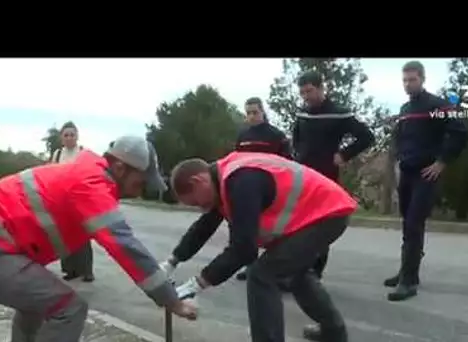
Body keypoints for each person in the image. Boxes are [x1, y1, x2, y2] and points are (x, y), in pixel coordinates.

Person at [0, 136, 197, 342]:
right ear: (120, 167)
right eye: (140, 183)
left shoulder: (87, 176)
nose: (140, 192)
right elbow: (125, 247)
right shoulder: (91, 185)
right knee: (68, 308)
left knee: (38, 307)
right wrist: (170, 299)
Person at [159, 151, 356, 342]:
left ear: (197, 181)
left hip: (325, 214)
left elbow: (244, 250)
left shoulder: (241, 181)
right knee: (296, 275)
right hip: (322, 212)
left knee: (262, 274)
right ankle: (333, 332)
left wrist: (195, 285)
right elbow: (204, 227)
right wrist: (171, 262)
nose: (202, 208)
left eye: (196, 203)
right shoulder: (222, 180)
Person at [294, 71, 375, 340]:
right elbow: (297, 141)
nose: (307, 97)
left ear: (321, 88)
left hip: (327, 180)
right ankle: (301, 270)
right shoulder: (302, 115)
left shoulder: (339, 114)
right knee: (300, 224)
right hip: (303, 178)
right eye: (303, 93)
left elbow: (367, 136)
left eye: (310, 91)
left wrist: (344, 154)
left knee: (321, 227)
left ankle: (314, 274)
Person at [385, 61, 468, 301]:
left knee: (414, 224)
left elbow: (460, 132)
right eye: (404, 80)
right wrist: (399, 160)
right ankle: (407, 270)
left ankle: (408, 282)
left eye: (412, 79)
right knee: (406, 223)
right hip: (407, 172)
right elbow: (401, 138)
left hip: (426, 173)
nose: (407, 84)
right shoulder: (404, 109)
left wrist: (441, 162)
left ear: (422, 79)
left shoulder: (437, 105)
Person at [234, 97, 292, 281]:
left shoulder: (275, 135)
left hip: (272, 188)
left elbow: (287, 161)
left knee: (274, 230)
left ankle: (275, 268)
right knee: (248, 229)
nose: (251, 116)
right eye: (248, 113)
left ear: (262, 112)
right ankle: (249, 265)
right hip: (247, 190)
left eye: (255, 112)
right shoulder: (243, 136)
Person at [52, 121, 95, 282]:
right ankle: (70, 270)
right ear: (61, 138)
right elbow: (51, 174)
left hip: (80, 198)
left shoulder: (84, 153)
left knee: (83, 235)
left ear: (77, 136)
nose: (69, 138)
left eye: (72, 135)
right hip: (62, 199)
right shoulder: (57, 155)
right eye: (66, 135)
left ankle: (86, 270)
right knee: (65, 235)